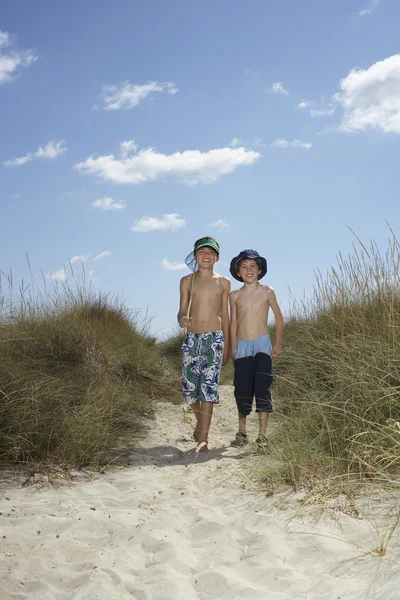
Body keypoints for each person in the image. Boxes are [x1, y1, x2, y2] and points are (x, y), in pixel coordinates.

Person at [178, 236, 230, 453]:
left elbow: (225, 316)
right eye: (202, 252)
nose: (206, 255)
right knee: (190, 391)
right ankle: (200, 424)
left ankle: (204, 439)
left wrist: (228, 344)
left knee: (208, 388)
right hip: (192, 340)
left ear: (216, 257)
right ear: (196, 256)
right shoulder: (186, 281)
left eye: (210, 252)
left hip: (214, 339)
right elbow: (182, 310)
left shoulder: (224, 282)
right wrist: (182, 319)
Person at [229, 249, 283, 450]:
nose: (248, 269)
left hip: (262, 344)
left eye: (253, 266)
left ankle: (263, 436)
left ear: (260, 270)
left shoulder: (267, 291)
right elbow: (233, 323)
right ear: (238, 271)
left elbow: (279, 317)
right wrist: (233, 348)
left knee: (262, 387)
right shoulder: (234, 296)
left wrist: (277, 344)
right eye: (244, 266)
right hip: (242, 345)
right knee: (241, 389)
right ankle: (242, 433)